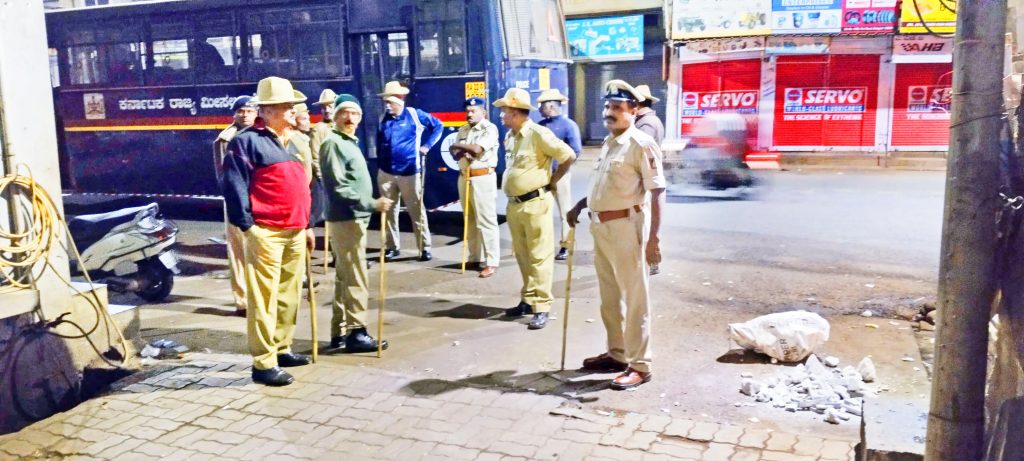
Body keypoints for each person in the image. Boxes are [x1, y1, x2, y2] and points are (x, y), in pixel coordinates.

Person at [567, 80, 666, 390]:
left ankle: (640, 364)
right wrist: (581, 205)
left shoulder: (640, 144)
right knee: (610, 298)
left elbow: (657, 191)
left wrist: (653, 240)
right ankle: (617, 353)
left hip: (628, 227)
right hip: (602, 227)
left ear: (634, 110)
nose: (610, 113)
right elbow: (604, 187)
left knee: (636, 298)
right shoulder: (610, 142)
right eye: (608, 107)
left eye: (617, 108)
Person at [222, 76, 314, 387]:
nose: (293, 111)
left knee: (289, 294)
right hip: (267, 232)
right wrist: (249, 228)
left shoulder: (295, 140)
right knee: (264, 298)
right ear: (269, 111)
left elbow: (304, 185)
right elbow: (234, 187)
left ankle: (282, 347)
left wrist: (308, 223)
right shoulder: (246, 141)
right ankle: (263, 362)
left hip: (295, 230)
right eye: (287, 107)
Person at [319, 94, 394, 352]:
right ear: (336, 116)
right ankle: (356, 332)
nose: (351, 118)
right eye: (345, 113)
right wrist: (373, 203)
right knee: (356, 277)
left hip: (353, 218)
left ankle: (340, 331)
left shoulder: (348, 142)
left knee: (345, 276)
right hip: (346, 218)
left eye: (355, 114)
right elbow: (338, 186)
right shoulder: (333, 143)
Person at [495, 88, 575, 330]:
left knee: (540, 256)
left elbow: (568, 155)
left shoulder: (539, 134)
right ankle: (528, 300)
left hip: (536, 203)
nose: (501, 116)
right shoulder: (511, 136)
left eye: (505, 112)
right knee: (523, 255)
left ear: (517, 113)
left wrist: (553, 180)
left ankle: (542, 306)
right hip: (515, 205)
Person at [376, 81, 443, 262]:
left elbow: (438, 126)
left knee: (416, 211)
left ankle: (424, 248)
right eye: (385, 102)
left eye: (390, 101)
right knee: (389, 212)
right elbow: (379, 142)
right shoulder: (383, 118)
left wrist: (427, 146)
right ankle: (392, 247)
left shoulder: (414, 115)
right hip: (386, 173)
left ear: (400, 99)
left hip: (410, 172)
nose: (387, 105)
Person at [213, 95, 256, 316]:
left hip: (258, 199)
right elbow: (225, 176)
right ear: (234, 114)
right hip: (236, 200)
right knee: (239, 252)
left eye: (249, 110)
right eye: (241, 111)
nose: (245, 114)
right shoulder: (227, 138)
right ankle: (243, 302)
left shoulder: (259, 133)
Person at [450, 97, 501, 278]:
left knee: (486, 220)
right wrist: (463, 148)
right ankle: (474, 256)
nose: (469, 114)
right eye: (468, 111)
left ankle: (492, 261)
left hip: (482, 178)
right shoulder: (463, 129)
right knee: (469, 218)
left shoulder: (489, 128)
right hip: (464, 177)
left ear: (483, 112)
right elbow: (454, 154)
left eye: (473, 111)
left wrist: (460, 146)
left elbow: (478, 149)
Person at [536, 88, 582, 261]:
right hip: (541, 175)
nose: (540, 109)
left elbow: (575, 151)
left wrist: (560, 170)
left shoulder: (569, 125)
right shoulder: (540, 126)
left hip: (560, 174)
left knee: (565, 212)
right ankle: (543, 245)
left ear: (551, 106)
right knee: (542, 212)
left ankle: (565, 245)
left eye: (542, 106)